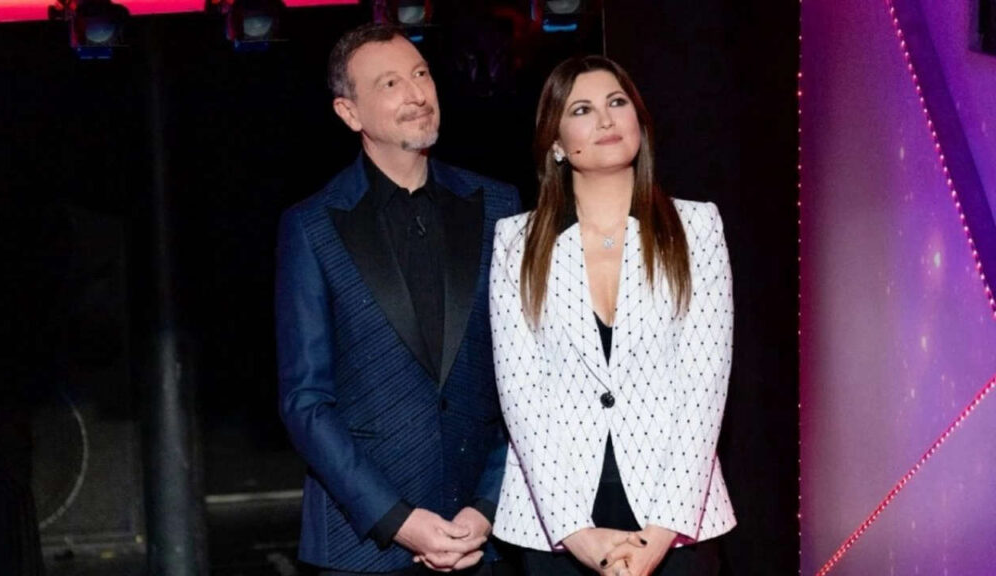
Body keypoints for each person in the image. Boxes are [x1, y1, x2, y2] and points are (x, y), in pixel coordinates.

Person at [276, 23, 520, 575]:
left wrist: (486, 505)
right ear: (349, 113)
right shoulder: (312, 226)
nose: (416, 93)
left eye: (421, 74)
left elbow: (527, 378)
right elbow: (305, 401)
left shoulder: (500, 207)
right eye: (390, 83)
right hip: (366, 544)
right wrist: (398, 520)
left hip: (485, 535)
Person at [487, 55, 735, 575]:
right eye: (581, 109)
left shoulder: (697, 227)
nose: (605, 119)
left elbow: (704, 386)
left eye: (617, 102)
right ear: (555, 143)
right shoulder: (516, 242)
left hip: (676, 518)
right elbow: (521, 394)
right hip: (558, 525)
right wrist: (583, 540)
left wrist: (657, 537)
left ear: (639, 122)